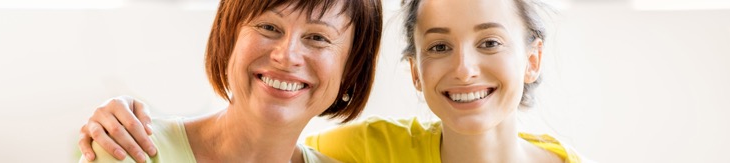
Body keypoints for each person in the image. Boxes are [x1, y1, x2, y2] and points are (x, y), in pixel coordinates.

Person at [87, 0, 586, 162]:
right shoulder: (370, 149)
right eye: (268, 26)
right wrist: (125, 113)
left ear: (532, 59)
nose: (464, 69)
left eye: (319, 39)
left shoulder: (561, 155)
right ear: (415, 70)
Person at [77, 0, 383, 162]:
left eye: (317, 38)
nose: (287, 56)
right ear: (228, 38)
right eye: (268, 26)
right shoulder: (128, 150)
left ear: (351, 70)